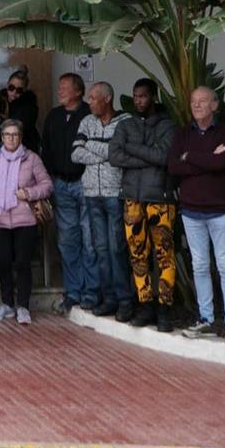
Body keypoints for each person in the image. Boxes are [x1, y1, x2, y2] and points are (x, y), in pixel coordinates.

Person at [168, 85, 225, 343]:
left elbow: (222, 163)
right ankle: (206, 317)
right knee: (199, 265)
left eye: (203, 101)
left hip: (220, 211)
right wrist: (206, 159)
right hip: (191, 211)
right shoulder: (182, 134)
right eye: (193, 102)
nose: (197, 105)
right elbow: (174, 166)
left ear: (215, 105)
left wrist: (192, 158)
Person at [109, 77, 179, 331]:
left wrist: (133, 148)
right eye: (136, 96)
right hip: (132, 199)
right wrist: (148, 157)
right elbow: (114, 156)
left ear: (154, 97)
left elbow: (163, 156)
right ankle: (145, 304)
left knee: (164, 255)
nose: (139, 100)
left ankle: (164, 308)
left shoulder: (167, 125)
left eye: (143, 96)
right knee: (137, 255)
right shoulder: (126, 125)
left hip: (160, 199)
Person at [0, 119, 53, 324]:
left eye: (14, 135)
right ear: (1, 137)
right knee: (2, 263)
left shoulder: (31, 158)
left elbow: (47, 184)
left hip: (24, 219)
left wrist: (29, 193)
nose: (11, 138)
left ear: (20, 137)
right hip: (0, 218)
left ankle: (23, 305)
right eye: (6, 135)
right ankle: (6, 303)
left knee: (22, 263)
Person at [72, 81, 134, 320]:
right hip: (91, 193)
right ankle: (108, 298)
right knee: (100, 249)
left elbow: (120, 155)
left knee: (117, 248)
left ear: (107, 99)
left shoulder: (125, 121)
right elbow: (76, 153)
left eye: (93, 98)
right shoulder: (87, 121)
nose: (89, 102)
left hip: (115, 193)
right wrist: (106, 152)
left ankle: (125, 300)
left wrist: (93, 146)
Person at [41, 72, 94, 315]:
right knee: (67, 241)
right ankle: (73, 293)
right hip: (61, 184)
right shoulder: (53, 116)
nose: (60, 91)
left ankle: (91, 293)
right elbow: (47, 149)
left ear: (78, 91)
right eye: (59, 87)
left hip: (85, 183)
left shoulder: (89, 114)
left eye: (65, 87)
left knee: (90, 240)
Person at [4, 69, 42, 153]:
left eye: (19, 90)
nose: (14, 92)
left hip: (24, 148)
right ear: (7, 85)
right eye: (11, 88)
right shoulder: (0, 101)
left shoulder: (28, 108)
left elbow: (17, 129)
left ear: (24, 91)